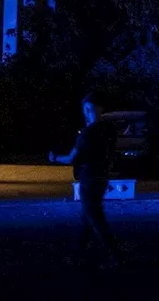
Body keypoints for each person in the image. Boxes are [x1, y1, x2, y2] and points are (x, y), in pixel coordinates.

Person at [49, 93, 120, 267]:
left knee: (94, 218)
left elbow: (73, 157)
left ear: (100, 109)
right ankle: (77, 254)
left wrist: (55, 157)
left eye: (90, 110)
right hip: (101, 177)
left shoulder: (89, 133)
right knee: (88, 217)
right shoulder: (108, 130)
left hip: (89, 179)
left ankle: (115, 256)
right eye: (85, 111)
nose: (87, 114)